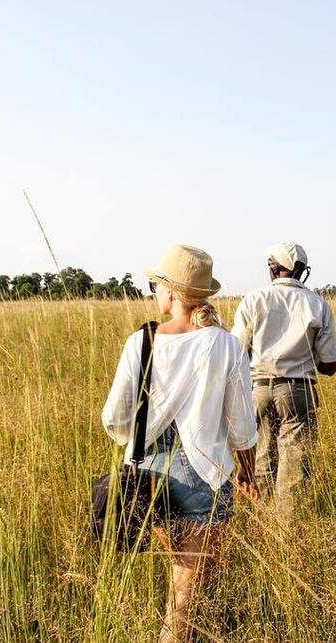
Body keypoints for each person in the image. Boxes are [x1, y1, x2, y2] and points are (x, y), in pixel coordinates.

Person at [101, 244, 259, 643]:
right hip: (204, 475)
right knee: (186, 597)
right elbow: (241, 424)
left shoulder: (141, 342)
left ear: (171, 293)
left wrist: (136, 437)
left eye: (156, 285)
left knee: (183, 582)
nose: (154, 292)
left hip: (147, 473)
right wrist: (248, 471)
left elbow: (113, 418)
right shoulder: (226, 345)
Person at [231, 242, 336, 514]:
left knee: (263, 459)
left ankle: (265, 523)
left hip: (259, 388)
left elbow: (236, 353)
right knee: (294, 468)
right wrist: (305, 352)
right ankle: (287, 531)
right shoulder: (318, 304)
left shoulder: (254, 300)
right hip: (299, 390)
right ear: (302, 271)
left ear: (274, 269)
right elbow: (329, 366)